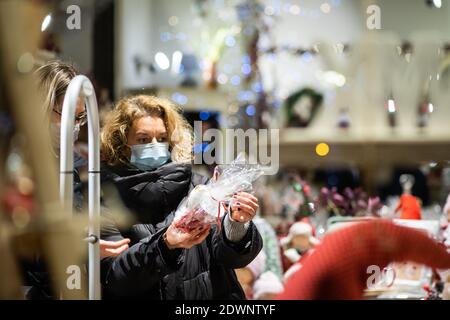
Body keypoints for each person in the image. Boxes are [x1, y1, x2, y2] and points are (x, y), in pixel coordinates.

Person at [99, 95, 263, 299]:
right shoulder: (107, 200)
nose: (154, 145)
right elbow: (116, 277)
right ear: (123, 144)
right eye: (143, 139)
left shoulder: (200, 186)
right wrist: (165, 244)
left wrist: (236, 225)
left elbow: (232, 258)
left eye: (162, 138)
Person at [22, 61, 129, 300]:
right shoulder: (14, 164)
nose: (75, 126)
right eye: (68, 114)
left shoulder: (81, 167)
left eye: (80, 117)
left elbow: (107, 231)